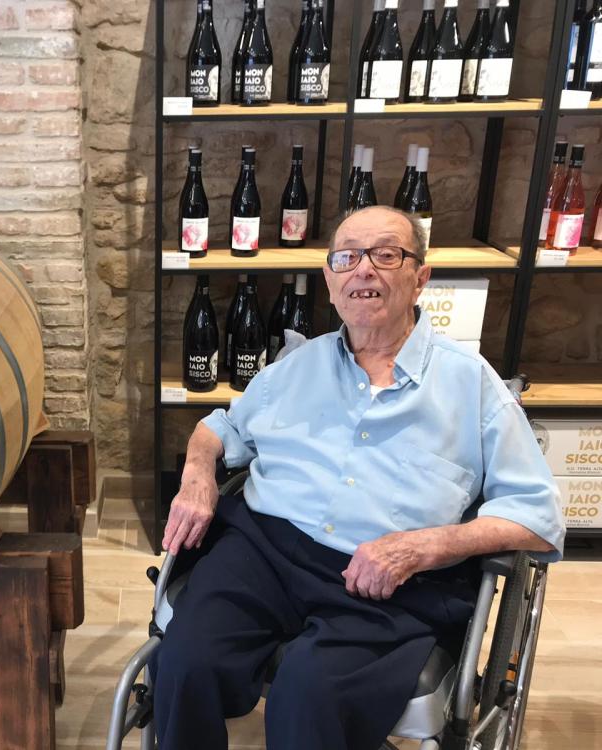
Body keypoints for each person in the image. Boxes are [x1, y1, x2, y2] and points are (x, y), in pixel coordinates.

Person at [151, 205, 564, 750]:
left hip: (387, 585)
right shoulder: (297, 367)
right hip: (262, 554)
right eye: (346, 258)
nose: (363, 269)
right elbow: (219, 428)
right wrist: (196, 477)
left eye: (386, 254)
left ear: (420, 278)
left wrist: (424, 547)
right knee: (185, 662)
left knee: (309, 696)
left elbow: (538, 518)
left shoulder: (472, 386)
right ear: (329, 280)